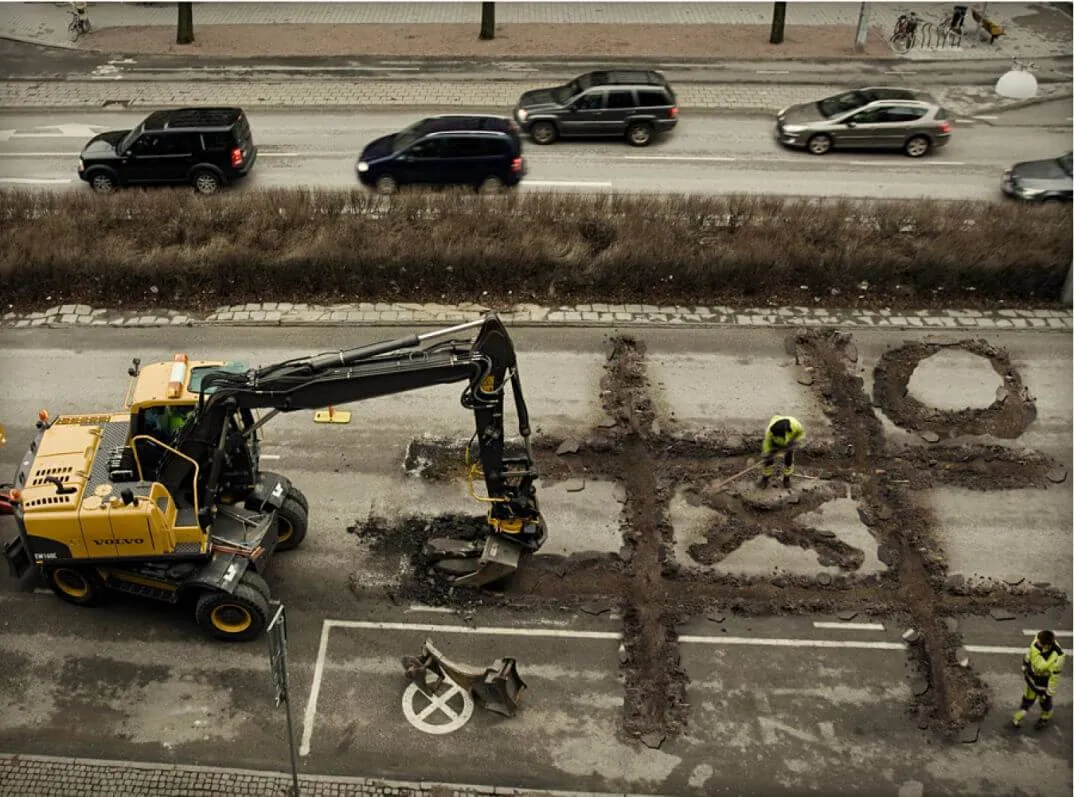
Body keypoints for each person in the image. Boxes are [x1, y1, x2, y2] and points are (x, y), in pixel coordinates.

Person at [1014, 630, 1065, 729]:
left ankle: (1044, 717)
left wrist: (1049, 693)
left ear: (1046, 646)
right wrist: (1025, 663)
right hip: (1032, 680)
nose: (1036, 642)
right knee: (1028, 699)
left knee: (1045, 702)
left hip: (1044, 685)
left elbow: (1054, 677)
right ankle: (1019, 716)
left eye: (1039, 642)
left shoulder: (1058, 658)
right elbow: (1030, 653)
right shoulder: (1038, 640)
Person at [758, 415, 805, 489]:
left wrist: (795, 443)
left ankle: (786, 479)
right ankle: (765, 478)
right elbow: (766, 443)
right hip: (774, 442)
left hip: (789, 442)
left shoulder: (796, 425)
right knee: (768, 461)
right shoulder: (770, 432)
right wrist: (767, 454)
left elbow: (801, 434)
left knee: (788, 460)